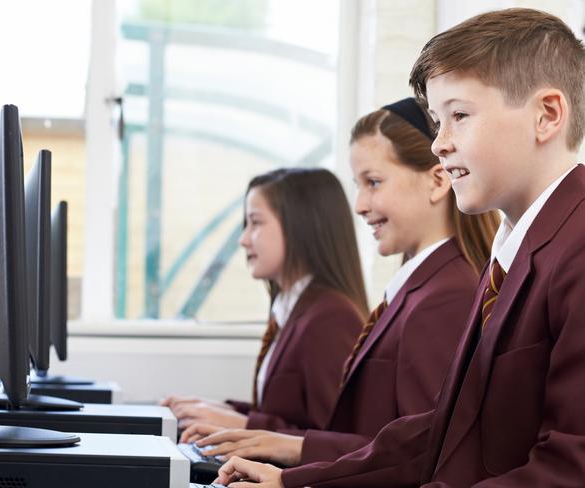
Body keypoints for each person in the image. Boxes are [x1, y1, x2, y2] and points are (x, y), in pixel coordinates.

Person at [214, 8, 585, 487]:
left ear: (547, 115)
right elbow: (442, 435)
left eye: (459, 116)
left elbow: (571, 469)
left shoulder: (576, 250)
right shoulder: (511, 257)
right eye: (437, 120)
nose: (439, 144)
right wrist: (295, 481)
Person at [182, 99, 499, 467]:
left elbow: (425, 454)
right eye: (358, 185)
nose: (360, 205)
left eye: (374, 182)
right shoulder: (419, 290)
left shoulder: (446, 296)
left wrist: (291, 453)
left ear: (437, 181)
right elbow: (381, 435)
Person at [164, 168, 368, 435]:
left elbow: (334, 442)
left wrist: (242, 425)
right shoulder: (291, 307)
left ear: (300, 226)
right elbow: (285, 416)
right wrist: (219, 411)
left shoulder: (331, 317)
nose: (243, 239)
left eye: (255, 223)